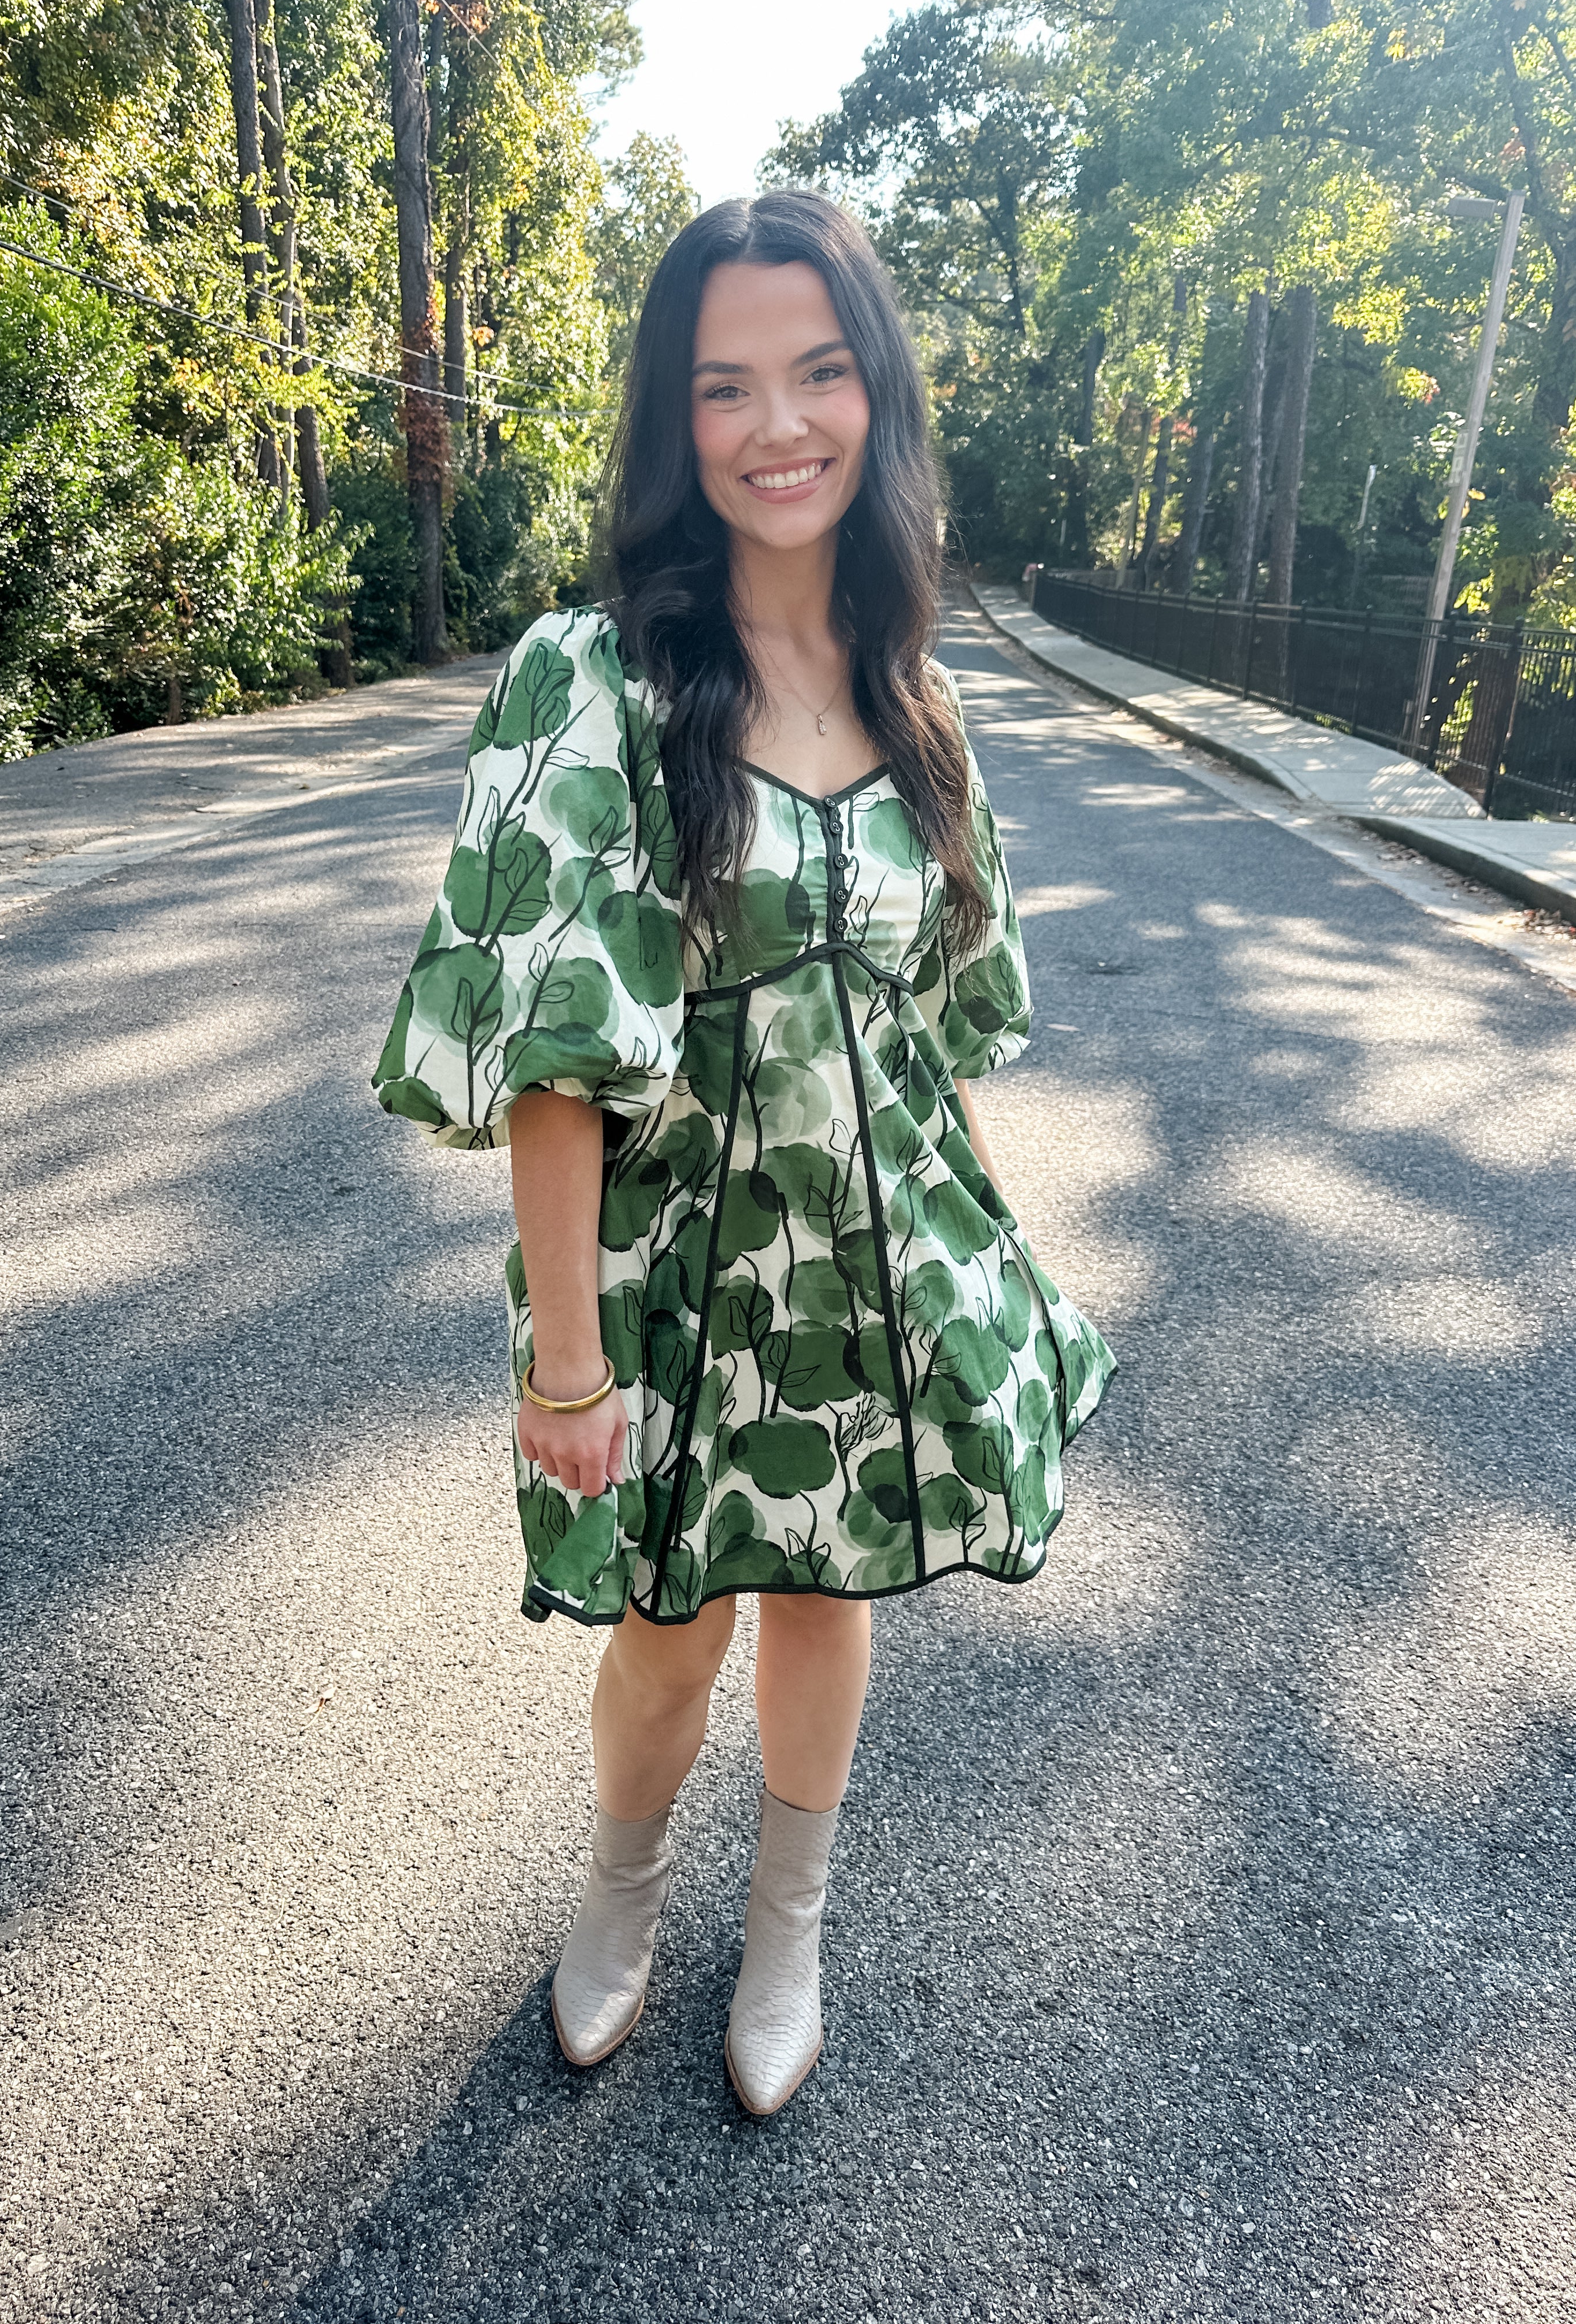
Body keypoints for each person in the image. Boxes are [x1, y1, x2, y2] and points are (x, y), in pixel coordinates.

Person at [374, 191, 1114, 2117]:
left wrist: (993, 1274)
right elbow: (556, 1050)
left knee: (827, 1599)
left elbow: (950, 1033)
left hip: (878, 1260)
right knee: (666, 1629)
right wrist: (564, 1359)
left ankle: (786, 1921)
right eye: (726, 386)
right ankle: (619, 1891)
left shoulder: (914, 691)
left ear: (874, 392)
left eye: (818, 370)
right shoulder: (593, 677)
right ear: (674, 421)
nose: (778, 423)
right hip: (675, 1269)